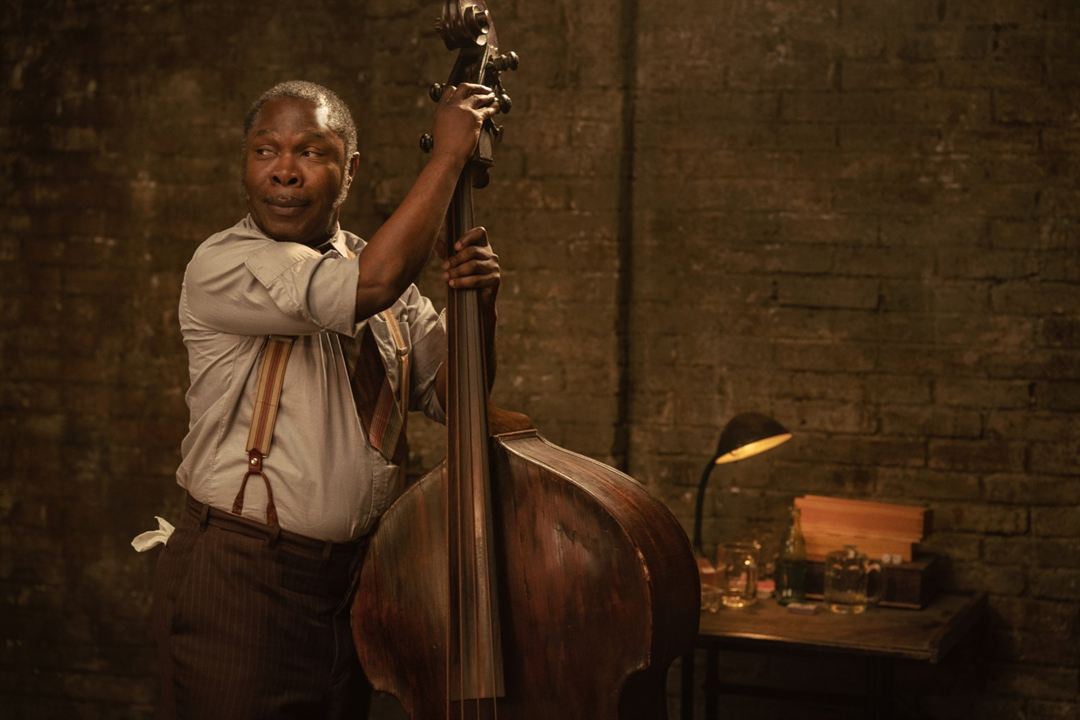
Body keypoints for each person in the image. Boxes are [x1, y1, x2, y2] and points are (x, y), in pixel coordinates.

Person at [151, 79, 501, 719]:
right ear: (247, 163)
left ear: (349, 169)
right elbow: (371, 287)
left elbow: (455, 398)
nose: (284, 172)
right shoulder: (227, 262)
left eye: (310, 152)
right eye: (266, 151)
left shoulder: (366, 261)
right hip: (245, 580)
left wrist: (479, 306)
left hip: (353, 588)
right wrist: (449, 157)